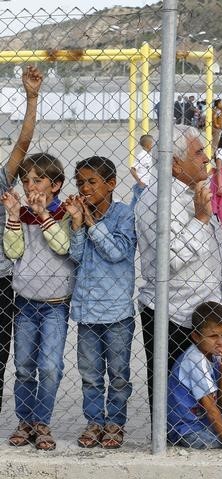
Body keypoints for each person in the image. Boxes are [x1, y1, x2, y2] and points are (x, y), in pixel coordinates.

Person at [135, 124, 222, 413]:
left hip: (201, 314)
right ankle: (167, 442)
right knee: (173, 404)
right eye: (198, 153)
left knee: (201, 396)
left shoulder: (191, 192)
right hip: (172, 314)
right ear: (175, 163)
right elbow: (169, 261)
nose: (206, 159)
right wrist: (199, 220)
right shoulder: (156, 201)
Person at [3, 152, 74, 451]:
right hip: (26, 304)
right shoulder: (21, 214)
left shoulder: (65, 213)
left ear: (55, 185)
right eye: (26, 180)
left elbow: (63, 246)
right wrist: (14, 217)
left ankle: (41, 420)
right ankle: (25, 420)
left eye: (38, 180)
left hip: (56, 304)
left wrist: (44, 215)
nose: (31, 186)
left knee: (49, 366)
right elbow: (13, 252)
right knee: (23, 366)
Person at [65, 156, 136, 450]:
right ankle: (94, 422)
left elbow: (118, 251)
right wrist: (79, 225)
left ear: (111, 184)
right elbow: (76, 256)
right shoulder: (80, 215)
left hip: (117, 312)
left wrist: (92, 223)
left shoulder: (123, 215)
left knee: (118, 376)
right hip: (87, 312)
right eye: (80, 182)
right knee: (91, 376)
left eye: (92, 182)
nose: (85, 188)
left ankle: (115, 424)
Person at [0, 66, 41, 417]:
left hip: (1, 280)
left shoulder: (1, 178)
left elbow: (23, 144)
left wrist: (31, 99)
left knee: (1, 354)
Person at [167, 302, 222, 452]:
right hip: (189, 430)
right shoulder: (196, 361)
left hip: (205, 421)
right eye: (213, 336)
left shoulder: (214, 355)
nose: (221, 342)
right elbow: (212, 409)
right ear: (196, 337)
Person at [129, 134, 153, 208]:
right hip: (141, 186)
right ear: (148, 145)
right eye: (153, 144)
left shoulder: (149, 154)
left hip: (146, 185)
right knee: (144, 205)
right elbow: (132, 169)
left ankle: (129, 215)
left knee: (134, 204)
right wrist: (140, 182)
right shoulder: (142, 155)